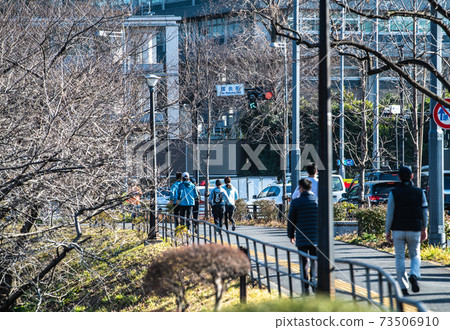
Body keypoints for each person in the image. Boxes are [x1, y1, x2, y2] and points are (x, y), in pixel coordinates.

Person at [385, 166, 428, 296]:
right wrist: (424, 228)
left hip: (398, 229)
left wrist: (387, 231)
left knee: (399, 257)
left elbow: (390, 213)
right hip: (414, 228)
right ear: (412, 177)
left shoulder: (394, 193)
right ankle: (414, 274)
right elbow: (425, 212)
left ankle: (403, 287)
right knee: (415, 255)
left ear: (399, 177)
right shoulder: (419, 192)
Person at [287, 178, 318, 295]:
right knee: (314, 260)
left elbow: (291, 220)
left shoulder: (296, 202)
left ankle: (305, 287)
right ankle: (314, 280)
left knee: (304, 262)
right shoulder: (317, 201)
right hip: (315, 237)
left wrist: (291, 235)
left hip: (301, 238)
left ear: (301, 188)